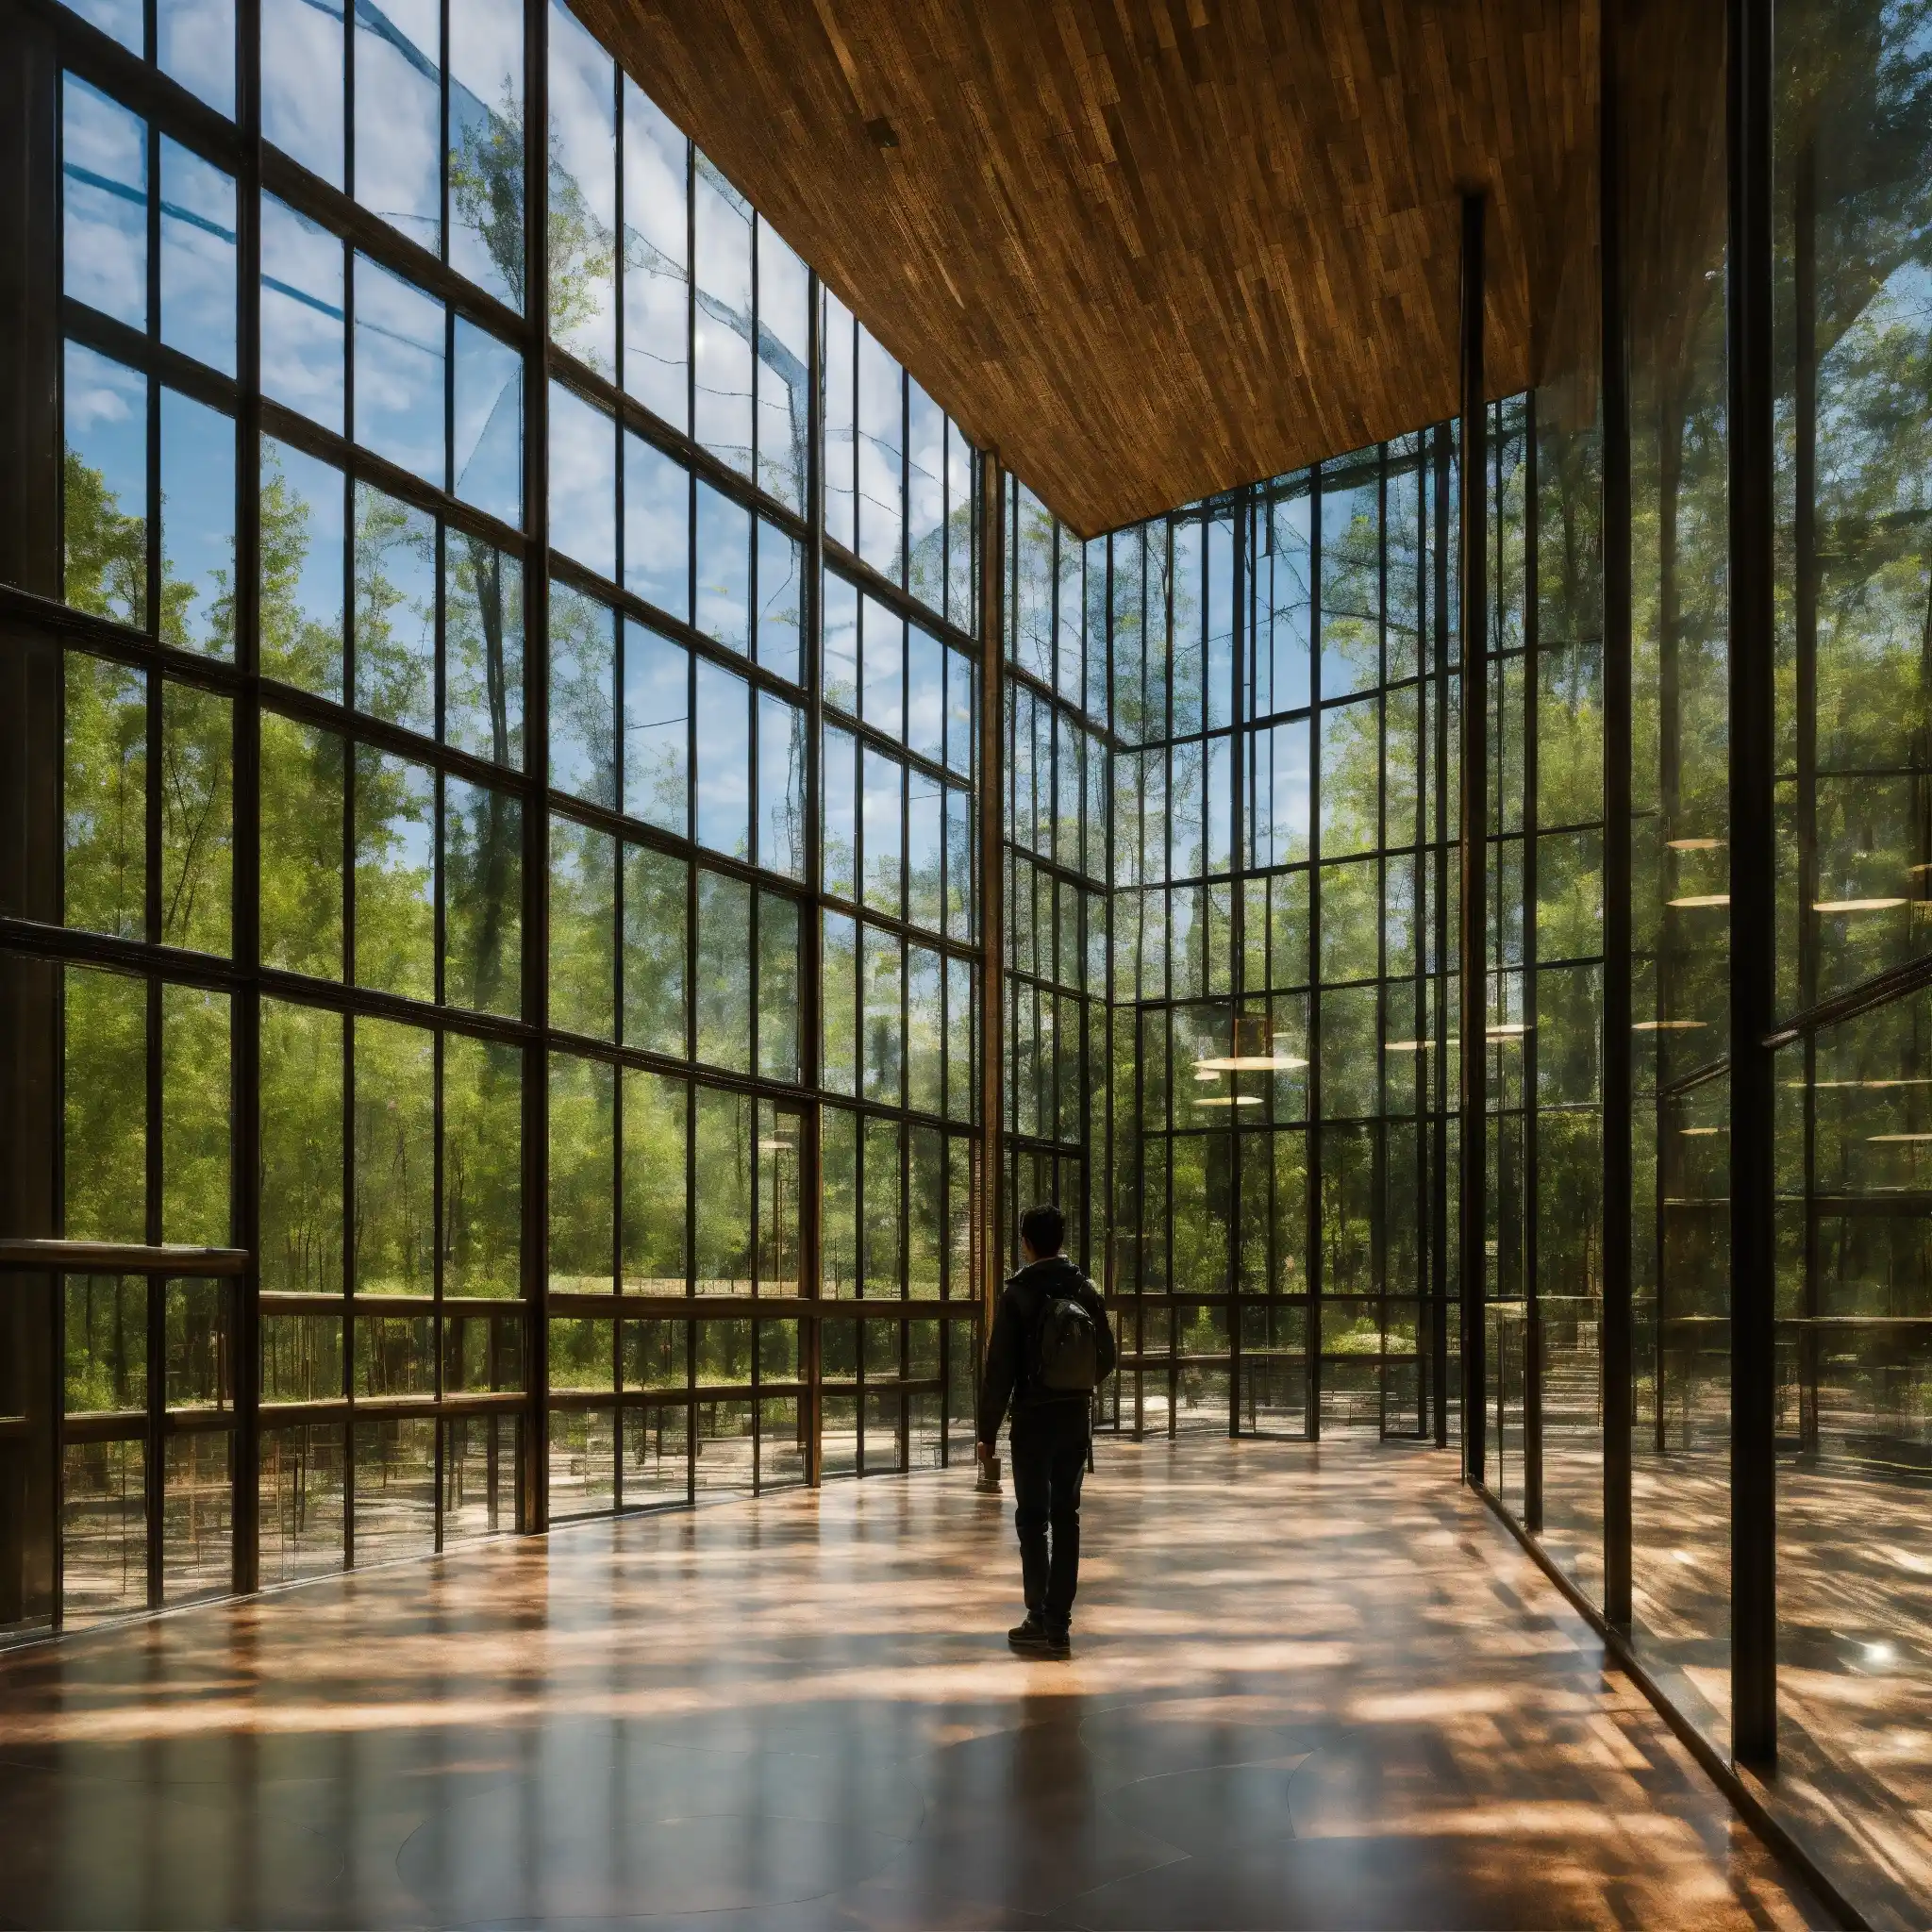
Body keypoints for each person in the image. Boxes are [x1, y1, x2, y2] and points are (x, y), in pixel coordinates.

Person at [975, 1204, 1116, 1658]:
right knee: (1066, 1516)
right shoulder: (1085, 1287)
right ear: (1060, 1239)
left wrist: (987, 1430)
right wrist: (1075, 1386)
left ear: (1026, 1241)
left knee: (1033, 1519)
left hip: (1033, 1420)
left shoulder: (1018, 1292)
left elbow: (999, 1369)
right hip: (1075, 1417)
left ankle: (1037, 1617)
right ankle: (1059, 1623)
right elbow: (1108, 1357)